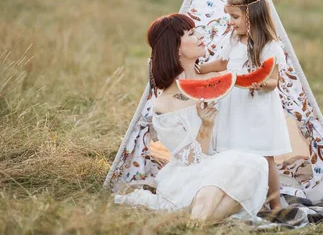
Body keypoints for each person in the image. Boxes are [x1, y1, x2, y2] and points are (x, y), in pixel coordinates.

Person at [115, 13, 269, 221]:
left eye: (196, 30)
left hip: (229, 162)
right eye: (191, 33)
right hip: (189, 174)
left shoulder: (215, 79)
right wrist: (206, 125)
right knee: (234, 166)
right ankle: (198, 223)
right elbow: (190, 160)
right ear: (176, 48)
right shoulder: (165, 103)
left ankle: (197, 223)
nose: (200, 35)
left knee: (256, 164)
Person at [197, 0, 291, 212]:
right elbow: (223, 63)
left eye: (235, 16)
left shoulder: (270, 46)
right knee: (234, 154)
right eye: (229, 16)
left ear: (252, 15)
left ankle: (276, 205)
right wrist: (201, 69)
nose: (231, 21)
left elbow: (274, 80)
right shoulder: (233, 39)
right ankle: (241, 198)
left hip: (258, 110)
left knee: (265, 158)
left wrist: (261, 84)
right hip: (234, 106)